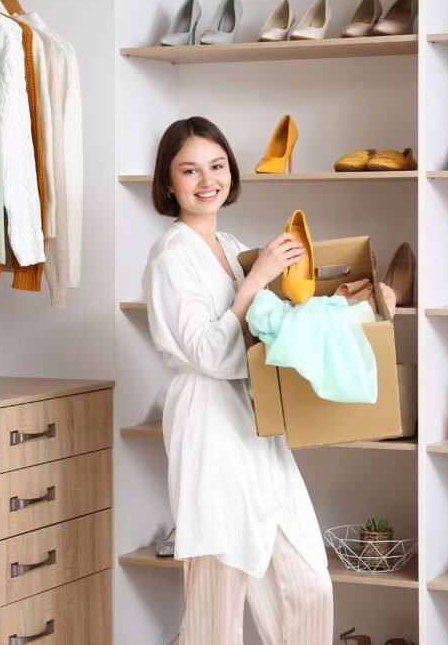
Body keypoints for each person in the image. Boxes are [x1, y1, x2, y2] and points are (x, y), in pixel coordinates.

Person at [142, 117, 333, 644]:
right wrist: (256, 280)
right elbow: (211, 352)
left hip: (257, 424)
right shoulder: (170, 257)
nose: (208, 180)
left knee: (307, 587)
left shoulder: (230, 242)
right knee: (215, 603)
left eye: (217, 165)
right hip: (208, 423)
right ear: (168, 183)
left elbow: (273, 329)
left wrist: (356, 302)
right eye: (190, 170)